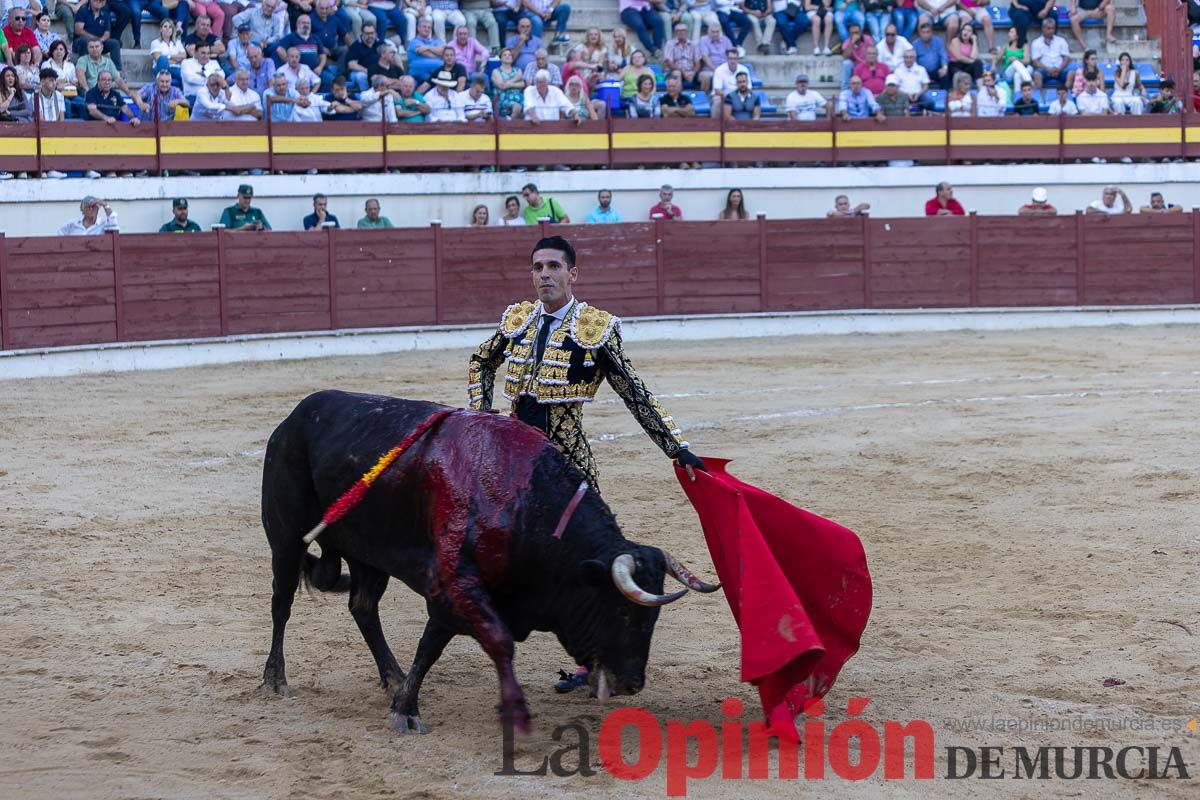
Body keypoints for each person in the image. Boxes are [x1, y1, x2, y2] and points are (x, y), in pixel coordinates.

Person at [467, 234, 706, 694]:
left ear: (572, 274)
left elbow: (635, 393)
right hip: (513, 462)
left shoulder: (595, 329)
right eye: (538, 267)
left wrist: (676, 447)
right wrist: (481, 413)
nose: (545, 276)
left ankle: (590, 659)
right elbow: (481, 362)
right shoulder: (518, 320)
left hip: (567, 464)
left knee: (584, 567)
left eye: (554, 267)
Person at [72, 0, 121, 70]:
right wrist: (94, 40)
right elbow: (78, 30)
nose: (99, 1)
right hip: (81, 42)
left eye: (101, 0)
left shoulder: (105, 14)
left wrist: (100, 41)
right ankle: (83, 69)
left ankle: (117, 71)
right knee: (84, 41)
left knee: (115, 43)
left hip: (99, 42)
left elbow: (107, 33)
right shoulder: (82, 11)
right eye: (96, 0)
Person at [1030, 16, 1069, 90]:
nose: (1051, 31)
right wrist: (1047, 69)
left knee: (1071, 73)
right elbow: (1035, 61)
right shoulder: (1036, 42)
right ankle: (1040, 99)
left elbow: (1066, 58)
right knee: (1037, 74)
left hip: (1059, 68)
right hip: (1044, 69)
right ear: (1043, 29)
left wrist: (1060, 68)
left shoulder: (1061, 41)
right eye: (1048, 28)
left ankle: (1066, 96)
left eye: (1053, 28)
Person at [910, 17, 946, 88]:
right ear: (920, 33)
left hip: (936, 70)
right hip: (921, 71)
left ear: (931, 32)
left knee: (944, 74)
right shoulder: (915, 44)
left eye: (928, 32)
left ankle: (946, 96)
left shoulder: (938, 41)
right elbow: (914, 60)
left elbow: (943, 55)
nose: (925, 35)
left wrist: (944, 67)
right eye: (923, 32)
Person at [893, 46, 931, 112]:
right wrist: (906, 95)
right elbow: (896, 87)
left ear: (915, 58)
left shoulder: (921, 69)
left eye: (911, 57)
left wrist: (918, 94)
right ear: (903, 58)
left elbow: (926, 85)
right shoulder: (898, 71)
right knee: (896, 105)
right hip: (903, 95)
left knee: (930, 103)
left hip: (918, 95)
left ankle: (920, 111)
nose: (908, 59)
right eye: (906, 57)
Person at [492, 46, 525, 118]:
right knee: (517, 107)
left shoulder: (517, 70)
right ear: (500, 58)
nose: (507, 56)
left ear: (512, 59)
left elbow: (523, 84)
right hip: (504, 98)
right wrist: (515, 80)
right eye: (505, 55)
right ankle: (509, 124)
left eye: (509, 55)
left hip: (518, 97)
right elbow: (502, 86)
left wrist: (510, 83)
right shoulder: (496, 71)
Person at [998, 24, 1032, 93]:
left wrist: (1016, 59)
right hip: (1008, 72)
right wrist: (992, 66)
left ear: (1018, 35)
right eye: (1009, 32)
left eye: (1012, 32)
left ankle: (1017, 96)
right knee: (1015, 63)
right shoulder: (1006, 46)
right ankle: (1029, 81)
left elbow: (1027, 61)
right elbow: (997, 57)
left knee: (1017, 75)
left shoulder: (1024, 45)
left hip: (1021, 70)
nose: (1009, 34)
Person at [1110, 51, 1143, 116]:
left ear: (1130, 61)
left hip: (1129, 95)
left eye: (1127, 60)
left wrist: (1143, 90)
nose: (1125, 62)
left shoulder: (1135, 73)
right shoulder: (1116, 73)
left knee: (1137, 101)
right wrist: (1123, 71)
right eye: (1122, 60)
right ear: (1120, 62)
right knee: (1118, 103)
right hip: (1118, 95)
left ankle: (1137, 122)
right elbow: (1122, 85)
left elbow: (1139, 85)